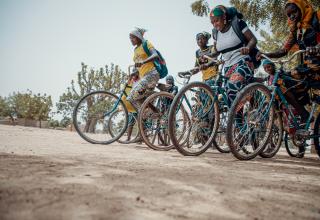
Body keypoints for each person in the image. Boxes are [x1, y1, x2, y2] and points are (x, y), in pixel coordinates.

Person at [257, 0, 320, 123]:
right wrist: (266, 54)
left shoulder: (317, 17)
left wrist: (317, 47)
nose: (292, 16)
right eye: (289, 15)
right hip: (307, 69)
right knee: (281, 82)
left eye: (294, 12)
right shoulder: (296, 30)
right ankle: (304, 115)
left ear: (301, 8)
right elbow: (284, 50)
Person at [209, 5, 258, 106]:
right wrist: (208, 57)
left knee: (232, 87)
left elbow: (253, 39)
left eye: (217, 20)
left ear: (224, 17)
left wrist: (248, 48)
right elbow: (216, 51)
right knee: (231, 100)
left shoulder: (237, 23)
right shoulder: (215, 33)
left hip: (243, 62)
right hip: (227, 68)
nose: (215, 24)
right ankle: (239, 122)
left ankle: (255, 101)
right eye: (212, 22)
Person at [127, 27, 160, 111]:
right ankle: (151, 113)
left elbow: (155, 55)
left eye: (133, 37)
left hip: (151, 74)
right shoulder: (135, 50)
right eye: (130, 38)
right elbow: (139, 67)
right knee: (134, 98)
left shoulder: (146, 43)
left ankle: (145, 114)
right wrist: (134, 73)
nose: (131, 40)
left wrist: (143, 61)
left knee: (131, 96)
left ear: (138, 37)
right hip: (143, 77)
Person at [121, 67, 139, 141]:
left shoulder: (140, 80)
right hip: (131, 104)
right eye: (133, 74)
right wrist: (130, 77)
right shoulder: (131, 81)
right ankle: (128, 138)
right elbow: (125, 87)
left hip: (138, 102)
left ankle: (141, 138)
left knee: (140, 121)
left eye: (136, 74)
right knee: (131, 122)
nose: (134, 76)